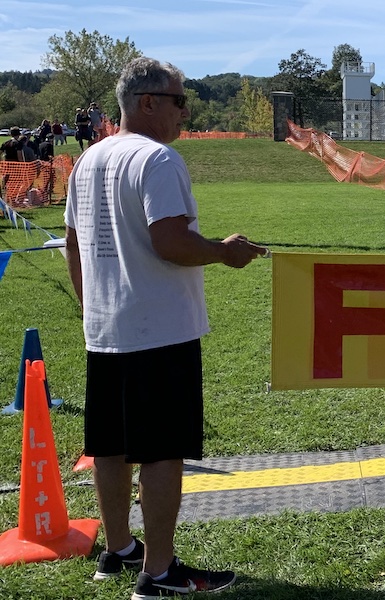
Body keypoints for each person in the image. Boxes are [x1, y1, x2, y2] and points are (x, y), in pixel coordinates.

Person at [65, 57, 267, 597]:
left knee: (109, 446)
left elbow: (73, 243)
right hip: (159, 333)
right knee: (159, 451)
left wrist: (94, 305)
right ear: (148, 102)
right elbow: (171, 241)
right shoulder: (158, 158)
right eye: (180, 100)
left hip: (105, 329)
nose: (185, 111)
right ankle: (158, 572)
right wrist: (225, 252)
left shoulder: (88, 160)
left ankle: (118, 548)